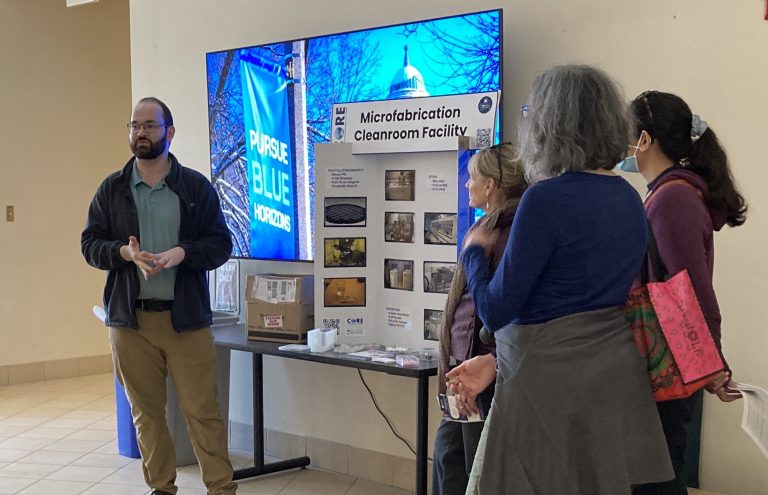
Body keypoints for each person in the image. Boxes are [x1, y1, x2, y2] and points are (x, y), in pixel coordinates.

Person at [446, 65, 674, 494]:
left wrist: (474, 251)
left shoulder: (545, 199)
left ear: (548, 126)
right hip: (610, 375)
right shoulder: (628, 196)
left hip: (545, 381)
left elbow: (496, 308)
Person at [81, 97, 236, 495]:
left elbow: (220, 244)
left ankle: (221, 489)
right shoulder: (112, 189)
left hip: (186, 321)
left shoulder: (195, 187)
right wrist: (124, 253)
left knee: (204, 413)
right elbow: (89, 244)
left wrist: (182, 253)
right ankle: (161, 488)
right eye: (135, 125)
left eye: (150, 125)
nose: (141, 132)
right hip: (130, 323)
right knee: (146, 416)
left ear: (170, 131)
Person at [625, 91, 746, 495]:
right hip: (675, 359)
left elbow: (687, 288)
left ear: (645, 140)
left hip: (668, 360)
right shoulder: (669, 193)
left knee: (656, 477)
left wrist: (711, 363)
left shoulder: (671, 198)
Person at [432, 143, 527, 495]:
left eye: (472, 178)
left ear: (490, 186)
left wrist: (473, 253)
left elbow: (495, 309)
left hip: (483, 370)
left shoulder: (508, 233)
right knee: (448, 455)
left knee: (473, 466)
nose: (467, 185)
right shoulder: (487, 227)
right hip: (463, 365)